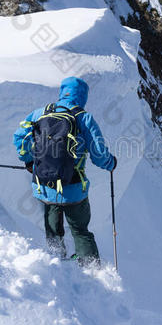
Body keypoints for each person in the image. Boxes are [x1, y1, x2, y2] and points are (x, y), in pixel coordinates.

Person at [13, 77, 116, 267]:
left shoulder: (39, 114)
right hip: (74, 187)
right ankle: (91, 267)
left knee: (52, 228)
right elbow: (99, 154)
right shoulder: (83, 117)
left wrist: (29, 161)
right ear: (82, 96)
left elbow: (19, 137)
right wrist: (111, 164)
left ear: (62, 93)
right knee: (80, 230)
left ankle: (56, 262)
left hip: (44, 185)